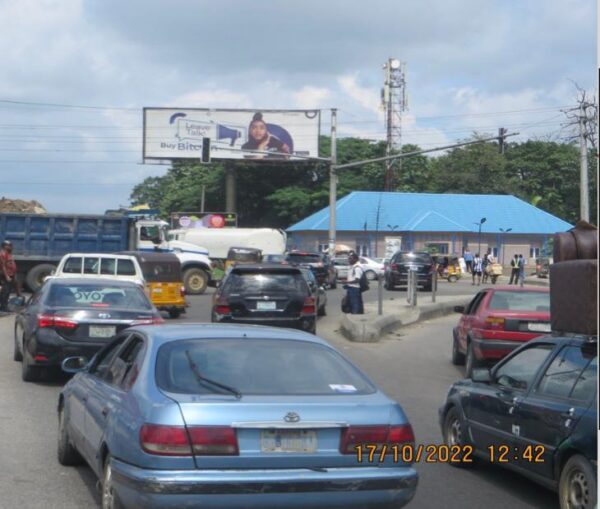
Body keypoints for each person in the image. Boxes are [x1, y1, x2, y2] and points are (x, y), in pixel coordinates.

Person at [0, 240, 20, 311]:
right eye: (9, 245)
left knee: (8, 291)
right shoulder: (2, 254)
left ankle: (4, 306)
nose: (11, 247)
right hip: (5, 275)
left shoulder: (8, 253)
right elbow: (3, 266)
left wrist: (14, 275)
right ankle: (3, 307)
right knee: (5, 291)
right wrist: (7, 276)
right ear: (5, 246)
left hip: (11, 274)